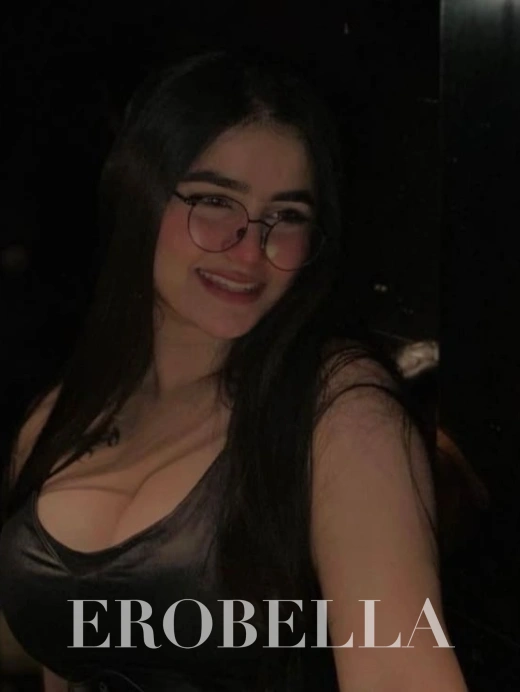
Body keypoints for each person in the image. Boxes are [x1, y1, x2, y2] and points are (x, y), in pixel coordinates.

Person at [0, 50, 468, 691]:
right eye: (215, 201)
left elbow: (400, 672)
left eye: (287, 215)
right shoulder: (58, 415)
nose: (250, 250)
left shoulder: (340, 410)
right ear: (141, 197)